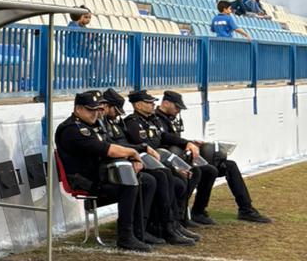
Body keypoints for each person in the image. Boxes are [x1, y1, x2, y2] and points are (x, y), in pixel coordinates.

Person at [54, 90, 150, 252]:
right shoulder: (72, 129)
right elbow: (107, 150)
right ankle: (125, 236)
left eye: (98, 109)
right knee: (129, 185)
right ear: (78, 109)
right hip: (85, 180)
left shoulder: (93, 125)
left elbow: (114, 145)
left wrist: (133, 154)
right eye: (91, 110)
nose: (95, 113)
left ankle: (141, 231)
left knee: (147, 180)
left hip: (101, 174)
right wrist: (133, 153)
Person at [156, 90, 271, 225]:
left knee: (229, 165)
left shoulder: (170, 119)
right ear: (166, 103)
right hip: (171, 162)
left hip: (183, 157)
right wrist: (186, 143)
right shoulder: (155, 119)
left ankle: (245, 208)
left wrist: (192, 142)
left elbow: (173, 139)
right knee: (208, 170)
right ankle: (188, 213)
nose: (178, 111)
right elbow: (163, 139)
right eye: (177, 107)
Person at [102, 89, 196, 245]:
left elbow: (158, 138)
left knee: (173, 175)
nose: (153, 105)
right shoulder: (130, 122)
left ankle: (171, 224)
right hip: (118, 168)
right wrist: (141, 150)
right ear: (138, 105)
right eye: (149, 102)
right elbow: (115, 146)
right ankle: (157, 227)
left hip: (133, 162)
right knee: (158, 177)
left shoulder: (136, 121)